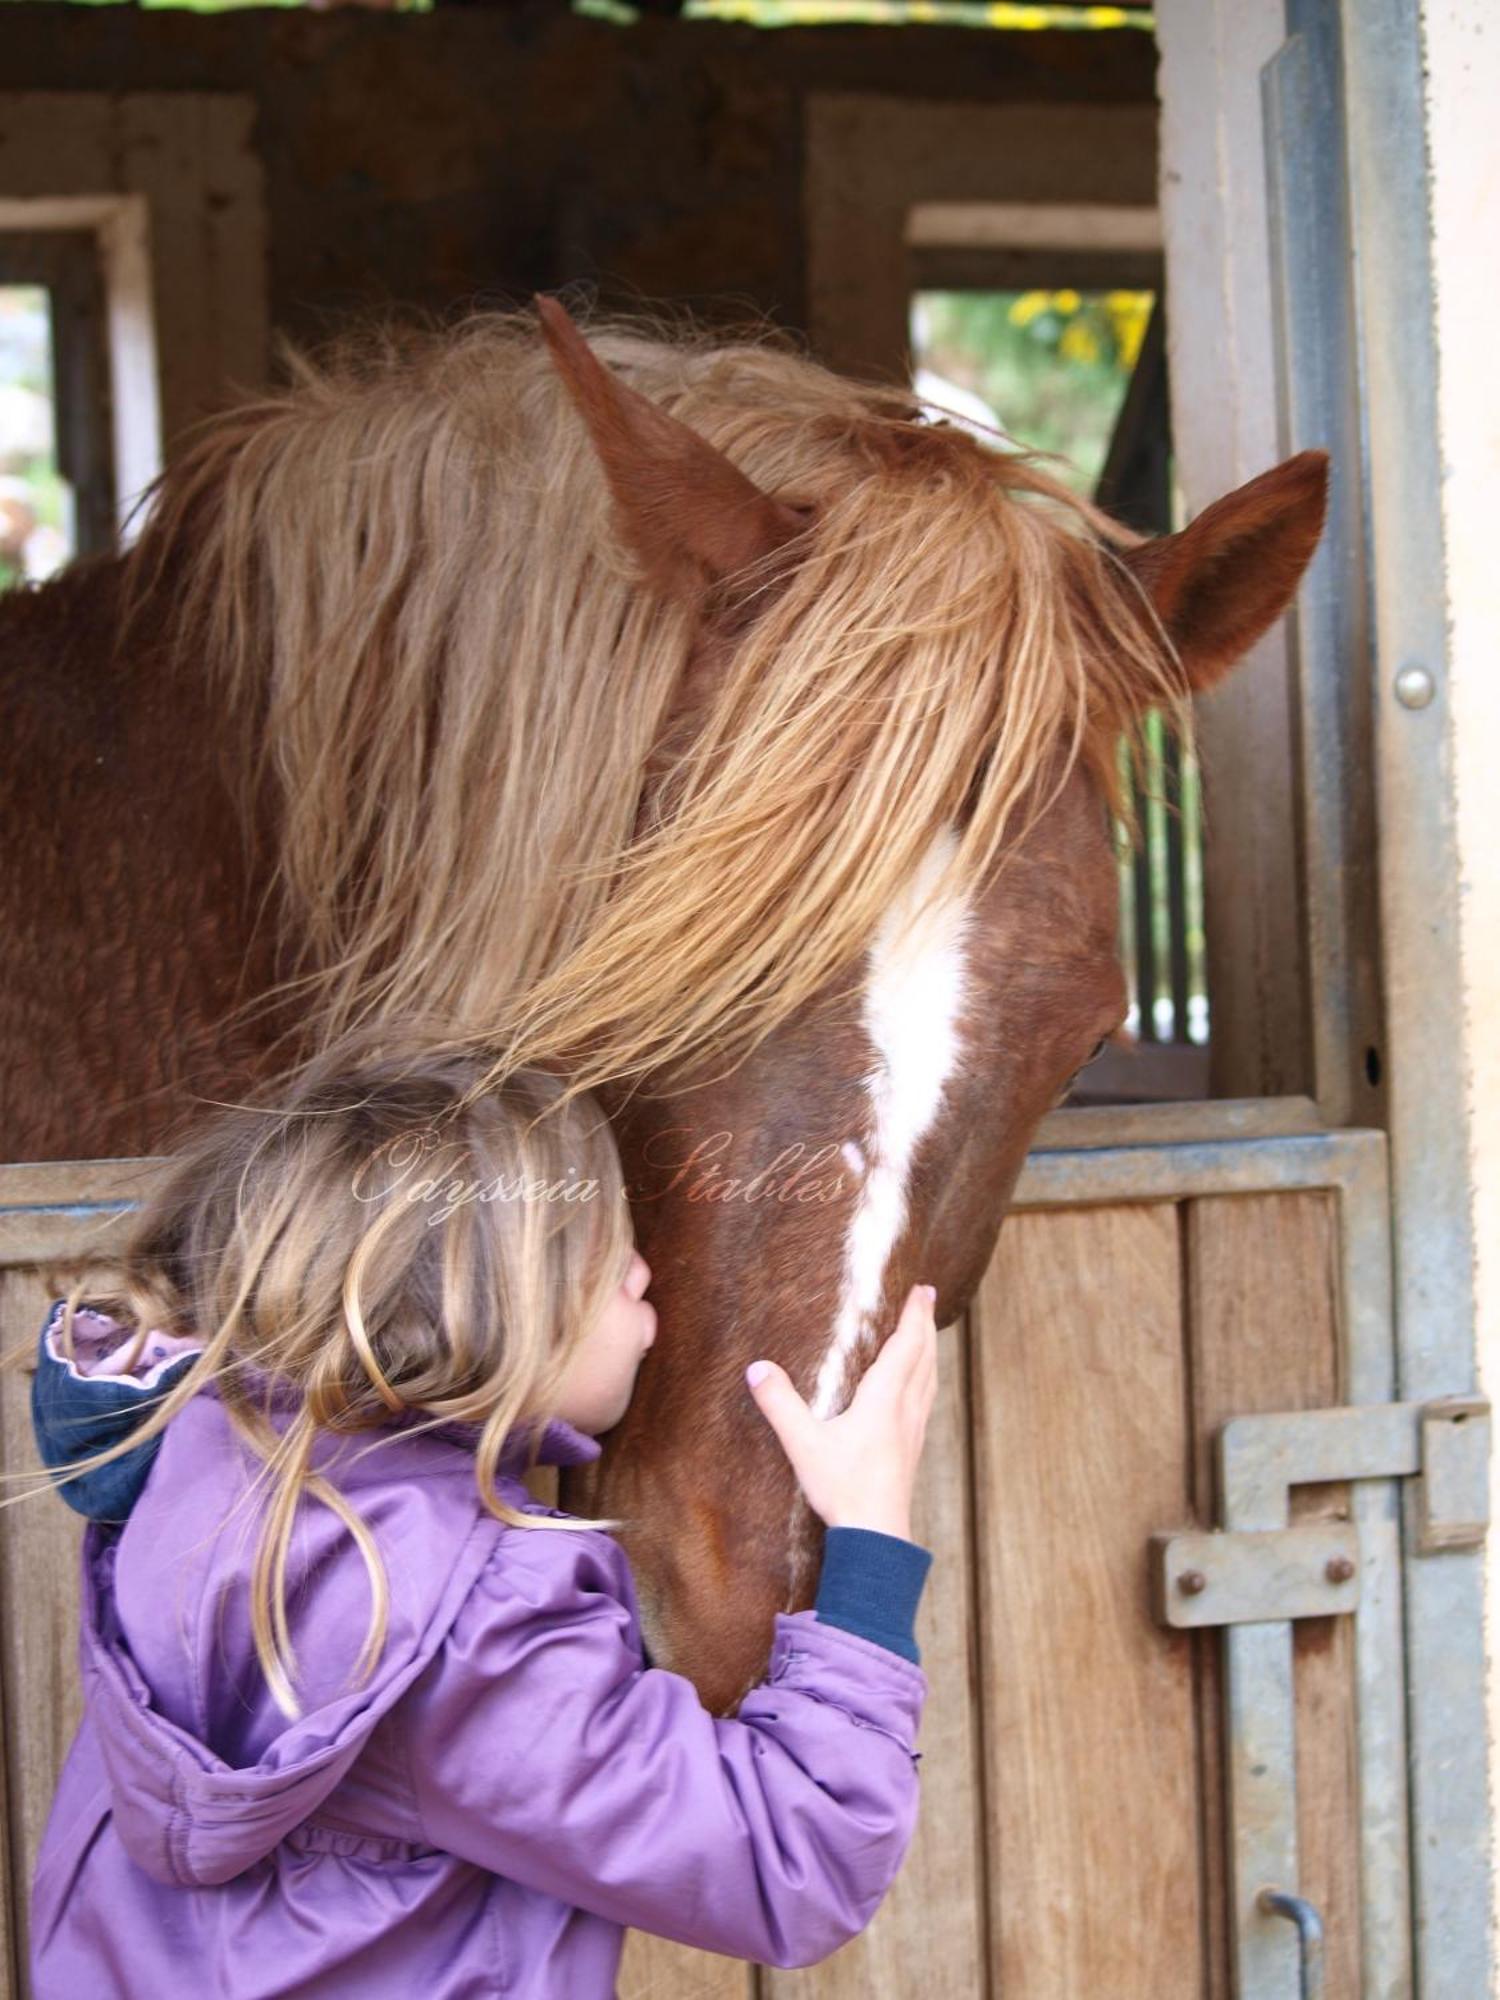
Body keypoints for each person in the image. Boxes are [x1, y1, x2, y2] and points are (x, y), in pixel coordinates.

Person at [17, 1030, 939, 1998]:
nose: (641, 1271)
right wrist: (871, 1541)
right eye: (603, 1244)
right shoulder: (459, 1623)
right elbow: (790, 1859)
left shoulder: (185, 1486)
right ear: (479, 1302)